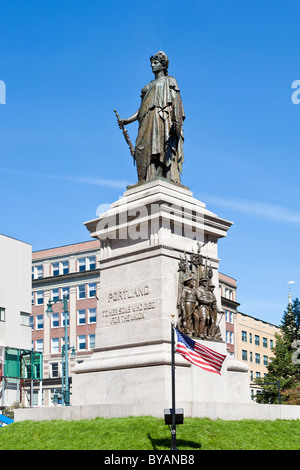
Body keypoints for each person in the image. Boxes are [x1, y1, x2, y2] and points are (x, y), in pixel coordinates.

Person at [120, 51, 185, 183]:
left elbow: (176, 102)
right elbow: (142, 108)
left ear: (163, 65)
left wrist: (176, 123)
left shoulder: (170, 81)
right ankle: (144, 179)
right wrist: (127, 121)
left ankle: (159, 175)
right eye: (151, 63)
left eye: (155, 63)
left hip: (161, 118)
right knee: (140, 147)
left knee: (160, 147)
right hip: (146, 119)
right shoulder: (147, 87)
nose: (151, 66)